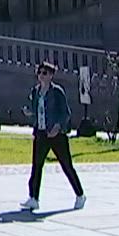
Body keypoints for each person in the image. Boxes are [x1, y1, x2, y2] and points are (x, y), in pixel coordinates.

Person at [22, 61, 85, 211]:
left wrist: (57, 127)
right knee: (37, 166)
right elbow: (36, 109)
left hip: (56, 135)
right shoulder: (35, 92)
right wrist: (29, 112)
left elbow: (65, 113)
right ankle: (33, 198)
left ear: (51, 75)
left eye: (45, 73)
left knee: (66, 165)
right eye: (39, 73)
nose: (41, 76)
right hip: (41, 133)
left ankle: (80, 194)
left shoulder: (57, 92)